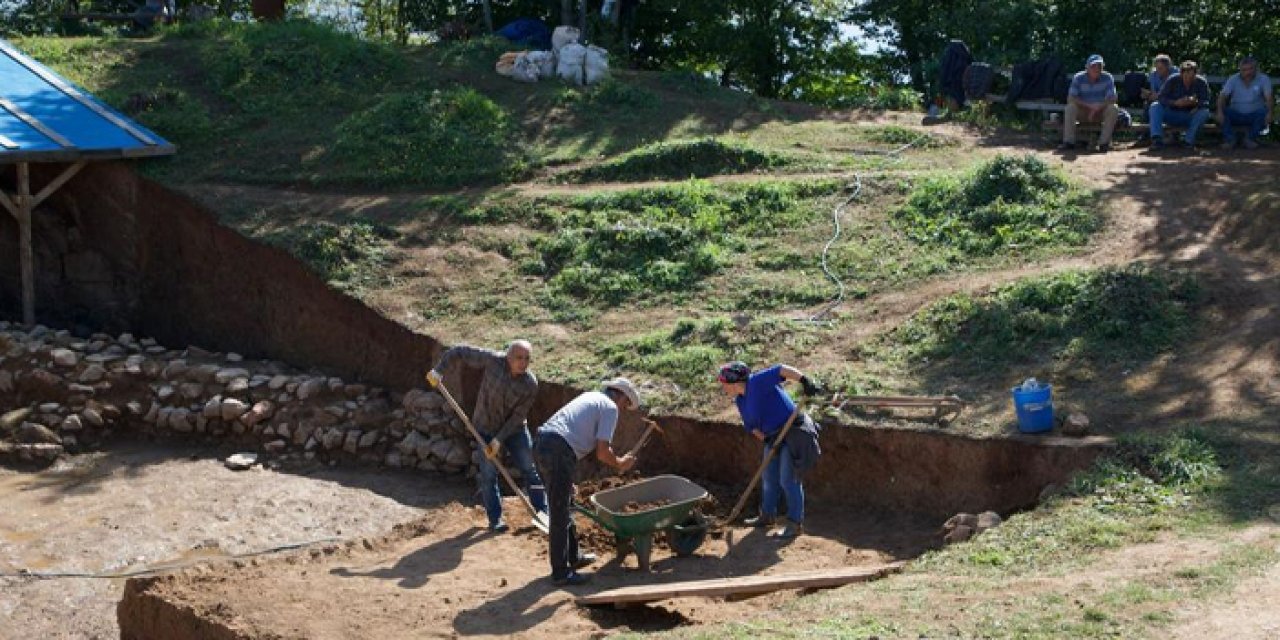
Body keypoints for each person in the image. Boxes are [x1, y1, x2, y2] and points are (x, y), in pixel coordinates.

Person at [427, 340, 546, 533]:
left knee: (529, 469)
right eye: (519, 358)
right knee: (489, 475)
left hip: (514, 430)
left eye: (527, 359)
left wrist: (499, 440)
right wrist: (439, 370)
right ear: (508, 357)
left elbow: (518, 416)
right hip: (485, 427)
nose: (523, 363)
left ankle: (543, 512)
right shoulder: (492, 361)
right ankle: (495, 519)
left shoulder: (530, 383)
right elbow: (460, 351)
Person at [532, 379, 640, 586]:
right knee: (559, 511)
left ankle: (574, 557)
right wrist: (620, 463)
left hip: (543, 445)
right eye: (626, 405)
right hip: (558, 450)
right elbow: (602, 451)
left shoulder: (590, 397)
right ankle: (561, 573)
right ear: (622, 397)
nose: (623, 410)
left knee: (565, 504)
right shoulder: (610, 407)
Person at [716, 362, 823, 540]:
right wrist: (766, 439)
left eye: (724, 383)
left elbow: (781, 369)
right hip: (773, 437)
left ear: (735, 382)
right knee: (769, 477)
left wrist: (804, 380)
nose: (722, 387)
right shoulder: (740, 400)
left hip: (793, 431)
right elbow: (751, 427)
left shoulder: (756, 382)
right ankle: (767, 516)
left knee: (788, 480)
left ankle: (794, 524)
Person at [1061, 54, 1120, 152]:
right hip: (1083, 111)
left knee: (1113, 108)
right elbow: (1071, 98)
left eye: (1099, 66)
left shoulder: (1108, 77)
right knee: (1070, 107)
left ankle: (1104, 143)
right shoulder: (1078, 78)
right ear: (1087, 67)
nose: (1096, 68)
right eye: (1093, 66)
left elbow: (1113, 98)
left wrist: (1098, 107)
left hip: (1100, 111)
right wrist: (1089, 106)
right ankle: (1069, 142)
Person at [1150, 60, 1211, 150]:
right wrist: (1175, 102)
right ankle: (1157, 140)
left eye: (1191, 76)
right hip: (1172, 113)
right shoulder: (1173, 79)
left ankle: (1188, 141)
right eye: (1185, 76)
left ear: (1195, 75)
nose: (1188, 79)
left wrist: (1196, 104)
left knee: (1204, 112)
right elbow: (1161, 97)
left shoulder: (1201, 82)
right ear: (1181, 74)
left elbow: (1207, 102)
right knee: (1155, 106)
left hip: (1190, 115)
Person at [1218, 56, 1273, 150]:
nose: (1248, 72)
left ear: (1255, 68)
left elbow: (1269, 97)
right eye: (1244, 69)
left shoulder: (1264, 79)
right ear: (1240, 69)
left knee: (1264, 112)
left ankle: (1249, 139)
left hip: (1254, 114)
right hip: (1236, 114)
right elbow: (1222, 96)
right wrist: (1219, 112)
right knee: (1223, 112)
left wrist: (1270, 113)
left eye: (1250, 69)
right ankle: (1230, 140)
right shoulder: (1233, 79)